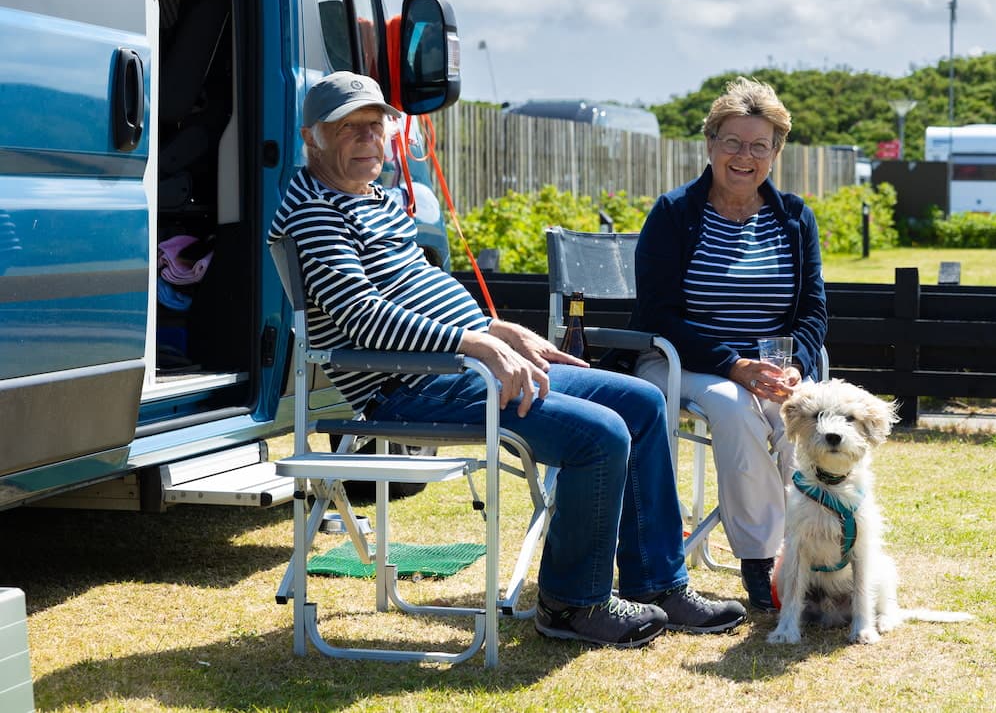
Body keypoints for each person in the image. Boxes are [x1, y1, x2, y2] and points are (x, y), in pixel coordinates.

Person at [267, 71, 745, 649]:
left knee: (642, 400)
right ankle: (572, 604)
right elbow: (362, 317)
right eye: (350, 129)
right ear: (311, 138)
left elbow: (416, 286)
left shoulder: (376, 198)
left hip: (465, 364)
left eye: (376, 125)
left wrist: (501, 330)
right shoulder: (316, 212)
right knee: (598, 434)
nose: (369, 139)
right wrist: (476, 345)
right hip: (416, 384)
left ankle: (657, 585)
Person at [626, 76, 827, 613]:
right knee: (736, 408)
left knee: (804, 415)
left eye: (759, 145)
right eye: (732, 142)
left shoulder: (794, 218)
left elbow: (813, 311)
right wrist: (732, 363)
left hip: (771, 367)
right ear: (710, 144)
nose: (745, 156)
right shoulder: (674, 214)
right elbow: (656, 315)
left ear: (775, 153)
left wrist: (797, 367)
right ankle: (763, 563)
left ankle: (812, 557)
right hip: (681, 361)